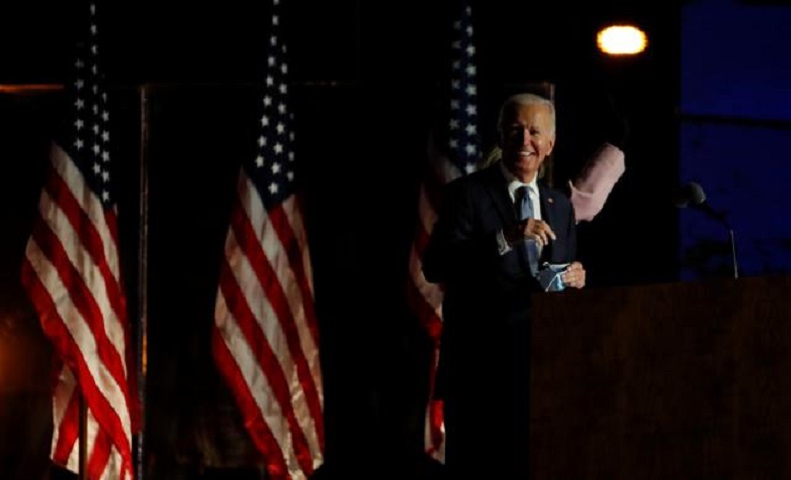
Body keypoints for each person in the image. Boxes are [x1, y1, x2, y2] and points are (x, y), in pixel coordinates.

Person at [421, 92, 586, 478]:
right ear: (500, 136)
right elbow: (437, 265)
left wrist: (575, 277)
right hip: (481, 374)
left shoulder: (559, 204)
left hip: (541, 376)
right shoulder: (467, 194)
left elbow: (556, 279)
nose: (524, 140)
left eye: (534, 132)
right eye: (515, 130)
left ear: (550, 144)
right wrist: (504, 237)